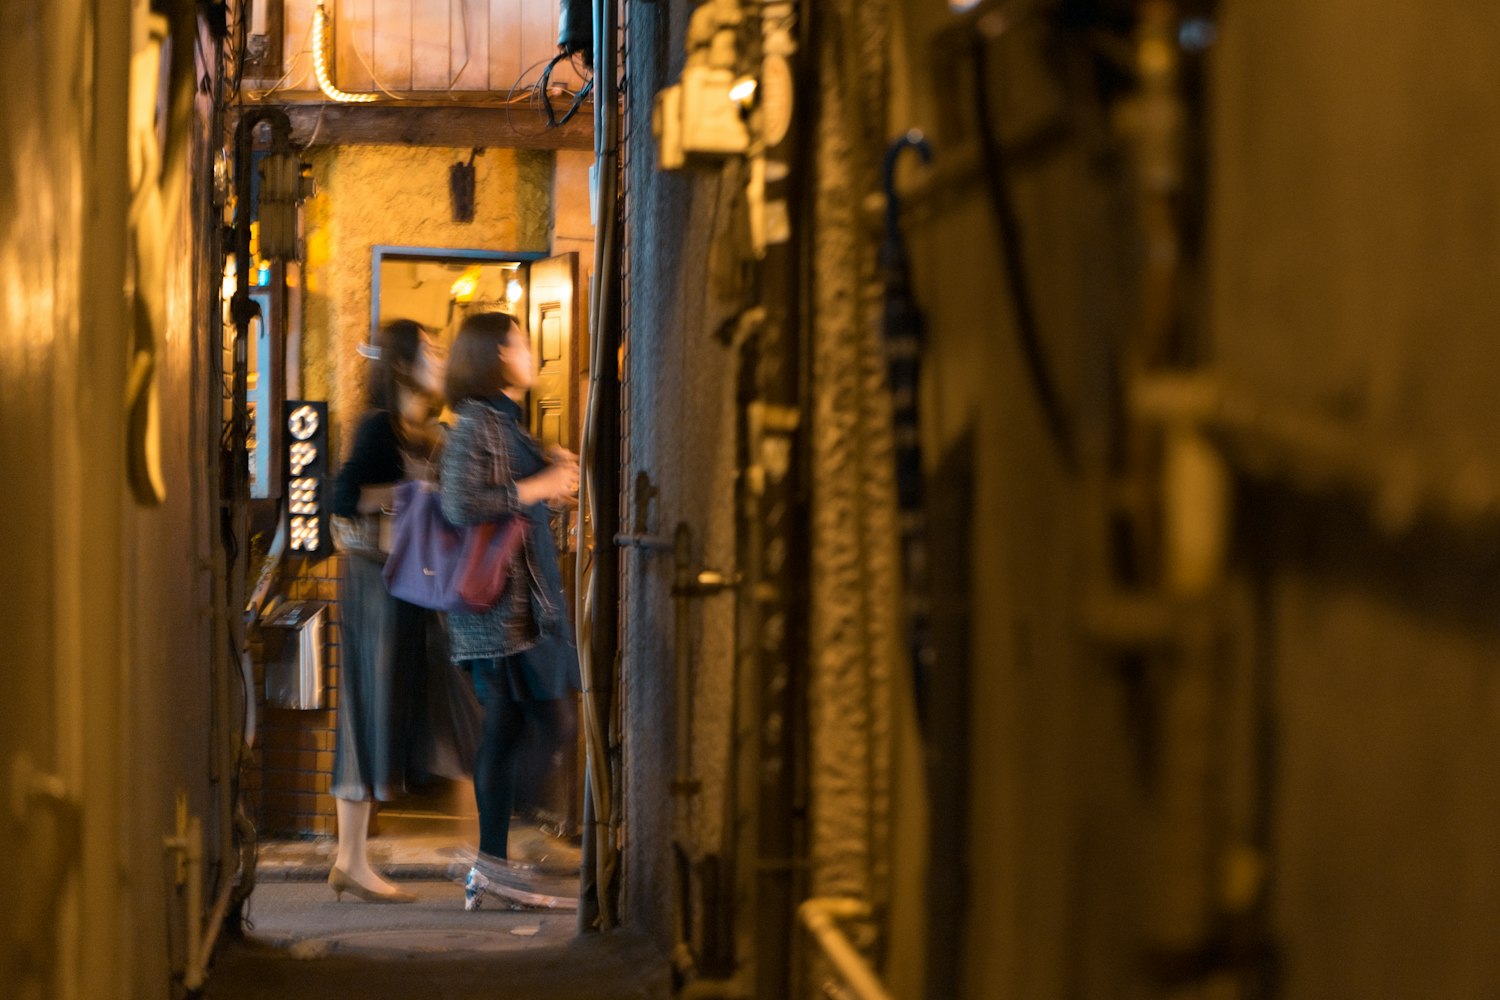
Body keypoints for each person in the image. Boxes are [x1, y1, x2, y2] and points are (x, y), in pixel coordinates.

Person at [327, 318, 474, 903]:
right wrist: (409, 495)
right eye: (429, 350)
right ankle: (350, 860)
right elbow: (342, 496)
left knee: (438, 704)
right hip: (375, 585)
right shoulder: (378, 428)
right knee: (367, 706)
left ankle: (476, 852)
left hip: (416, 587)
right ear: (403, 364)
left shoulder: (433, 432)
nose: (439, 357)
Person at [439, 311, 581, 911]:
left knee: (513, 729)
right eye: (521, 343)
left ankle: (491, 866)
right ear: (498, 354)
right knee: (548, 723)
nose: (531, 353)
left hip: (523, 609)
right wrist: (540, 485)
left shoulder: (506, 424)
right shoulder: (477, 421)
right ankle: (498, 855)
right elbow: (460, 503)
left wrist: (552, 480)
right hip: (500, 615)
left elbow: (515, 500)